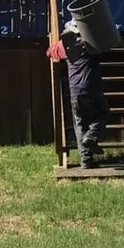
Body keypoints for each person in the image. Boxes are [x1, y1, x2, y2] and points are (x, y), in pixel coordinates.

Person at [48, 27, 108, 168]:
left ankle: (86, 160)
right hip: (92, 88)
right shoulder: (90, 44)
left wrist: (60, 45)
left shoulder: (66, 49)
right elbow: (108, 42)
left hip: (75, 92)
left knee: (80, 124)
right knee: (102, 113)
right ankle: (91, 136)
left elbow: (49, 52)